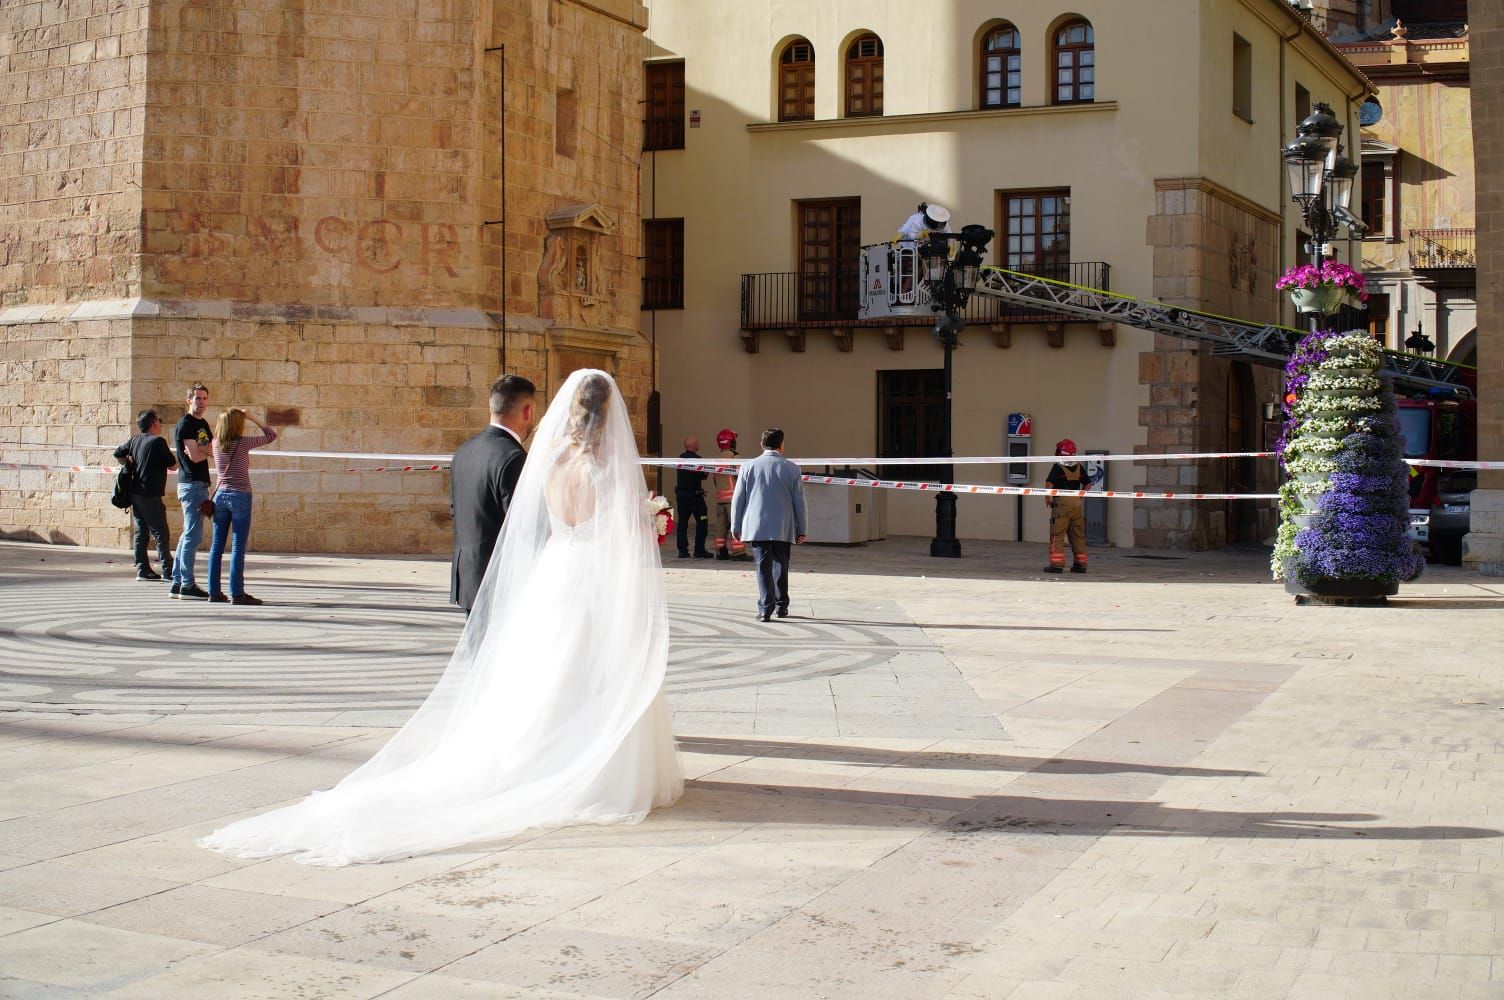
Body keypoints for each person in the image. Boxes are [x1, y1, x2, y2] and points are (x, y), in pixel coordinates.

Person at [200, 370, 683, 866]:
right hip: (590, 575)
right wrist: (648, 520)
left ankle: (537, 752)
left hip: (555, 574)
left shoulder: (549, 459)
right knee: (593, 665)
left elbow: (534, 521)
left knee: (549, 668)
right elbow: (618, 532)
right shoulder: (602, 467)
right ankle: (585, 762)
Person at [450, 375, 535, 613]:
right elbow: (524, 526)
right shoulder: (513, 458)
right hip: (500, 585)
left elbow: (456, 510)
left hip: (468, 579)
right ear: (527, 411)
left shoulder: (464, 451)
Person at [730, 427, 808, 622]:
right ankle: (782, 606)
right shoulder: (792, 468)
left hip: (757, 525)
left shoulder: (748, 467)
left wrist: (735, 525)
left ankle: (766, 608)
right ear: (782, 445)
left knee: (762, 566)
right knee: (781, 564)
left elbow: (738, 498)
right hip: (783, 525)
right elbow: (800, 501)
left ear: (761, 444)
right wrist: (802, 528)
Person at [207, 408, 278, 605]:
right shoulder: (244, 442)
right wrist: (253, 417)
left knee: (216, 546)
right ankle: (237, 593)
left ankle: (214, 591)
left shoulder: (215, 444)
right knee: (237, 547)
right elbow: (271, 435)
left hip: (219, 497)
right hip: (240, 495)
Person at [113, 410, 178, 581]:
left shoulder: (135, 440)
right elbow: (173, 466)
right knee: (161, 533)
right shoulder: (158, 441)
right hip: (151, 494)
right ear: (154, 423)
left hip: (136, 493)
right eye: (159, 421)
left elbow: (118, 453)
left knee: (141, 532)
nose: (161, 424)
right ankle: (169, 570)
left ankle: (142, 569)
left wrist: (129, 462)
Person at [170, 383, 213, 600]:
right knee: (193, 536)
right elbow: (197, 456)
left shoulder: (203, 424)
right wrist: (203, 450)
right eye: (197, 398)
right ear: (189, 400)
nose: (201, 402)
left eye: (204, 398)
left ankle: (178, 582)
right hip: (192, 483)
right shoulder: (185, 424)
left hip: (199, 483)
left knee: (187, 535)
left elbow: (209, 449)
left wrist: (202, 449)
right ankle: (187, 584)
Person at [1044, 438, 1089, 574]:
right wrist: (1081, 495)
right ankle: (1081, 564)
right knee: (1077, 535)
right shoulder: (1079, 466)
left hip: (1062, 503)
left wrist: (1048, 497)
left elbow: (1049, 484)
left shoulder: (1058, 466)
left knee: (1057, 534)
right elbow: (1088, 483)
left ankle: (1057, 565)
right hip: (1076, 504)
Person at [710, 427, 746, 560]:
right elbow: (743, 477)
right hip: (733, 500)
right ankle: (738, 552)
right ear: (730, 442)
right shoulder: (735, 457)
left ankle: (720, 551)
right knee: (736, 525)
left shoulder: (716, 460)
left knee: (720, 527)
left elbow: (714, 480)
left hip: (720, 500)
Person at [674, 435, 712, 559]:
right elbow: (704, 475)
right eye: (697, 443)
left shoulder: (680, 458)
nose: (698, 444)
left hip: (682, 496)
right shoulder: (698, 459)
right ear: (693, 446)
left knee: (682, 523)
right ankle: (699, 550)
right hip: (695, 497)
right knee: (702, 520)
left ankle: (682, 550)